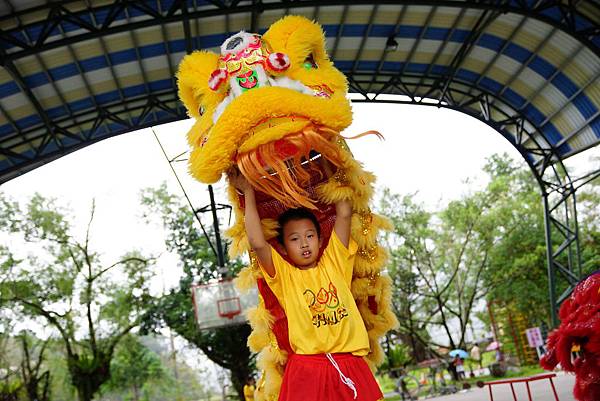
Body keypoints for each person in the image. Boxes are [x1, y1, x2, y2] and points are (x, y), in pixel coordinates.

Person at [229, 168, 383, 401]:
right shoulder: (283, 275)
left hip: (350, 363)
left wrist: (332, 164)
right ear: (284, 247)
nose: (304, 243)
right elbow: (257, 241)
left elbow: (343, 212)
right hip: (307, 370)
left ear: (320, 240)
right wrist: (248, 193)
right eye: (294, 238)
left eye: (309, 235)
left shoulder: (335, 261)